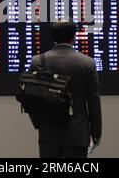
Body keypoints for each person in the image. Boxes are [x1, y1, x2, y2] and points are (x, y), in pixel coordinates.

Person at [27, 20, 102, 158]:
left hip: (48, 132)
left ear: (53, 37)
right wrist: (96, 132)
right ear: (74, 36)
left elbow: (31, 97)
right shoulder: (87, 63)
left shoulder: (38, 61)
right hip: (78, 133)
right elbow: (93, 101)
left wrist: (39, 123)